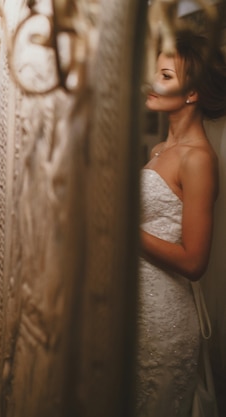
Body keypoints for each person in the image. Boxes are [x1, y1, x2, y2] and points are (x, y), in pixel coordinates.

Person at [135, 27, 226, 417]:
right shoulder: (160, 150)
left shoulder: (198, 159)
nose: (152, 83)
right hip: (137, 312)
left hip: (165, 322)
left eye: (166, 76)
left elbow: (194, 262)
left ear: (192, 93)